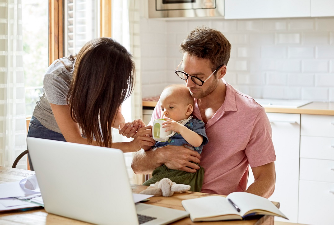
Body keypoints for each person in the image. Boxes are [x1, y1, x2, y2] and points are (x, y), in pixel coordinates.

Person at [122, 27, 276, 198]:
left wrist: (239, 209)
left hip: (217, 209)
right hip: (167, 201)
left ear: (222, 72)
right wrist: (162, 155)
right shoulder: (170, 103)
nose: (188, 84)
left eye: (197, 77)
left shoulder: (251, 114)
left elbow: (266, 179)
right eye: (185, 74)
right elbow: (138, 165)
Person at [28, 37, 155, 169]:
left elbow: (115, 117)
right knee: (49, 186)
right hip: (49, 134)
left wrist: (126, 127)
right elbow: (75, 141)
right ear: (98, 77)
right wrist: (131, 146)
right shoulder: (57, 78)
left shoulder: (111, 79)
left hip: (88, 130)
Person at [142, 84, 208, 192]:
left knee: (174, 188)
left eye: (171, 107)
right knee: (150, 186)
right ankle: (161, 188)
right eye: (162, 108)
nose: (165, 112)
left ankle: (169, 188)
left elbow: (197, 142)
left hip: (186, 171)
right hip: (163, 169)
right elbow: (150, 147)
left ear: (188, 110)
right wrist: (145, 139)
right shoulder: (162, 126)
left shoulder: (193, 124)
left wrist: (180, 128)